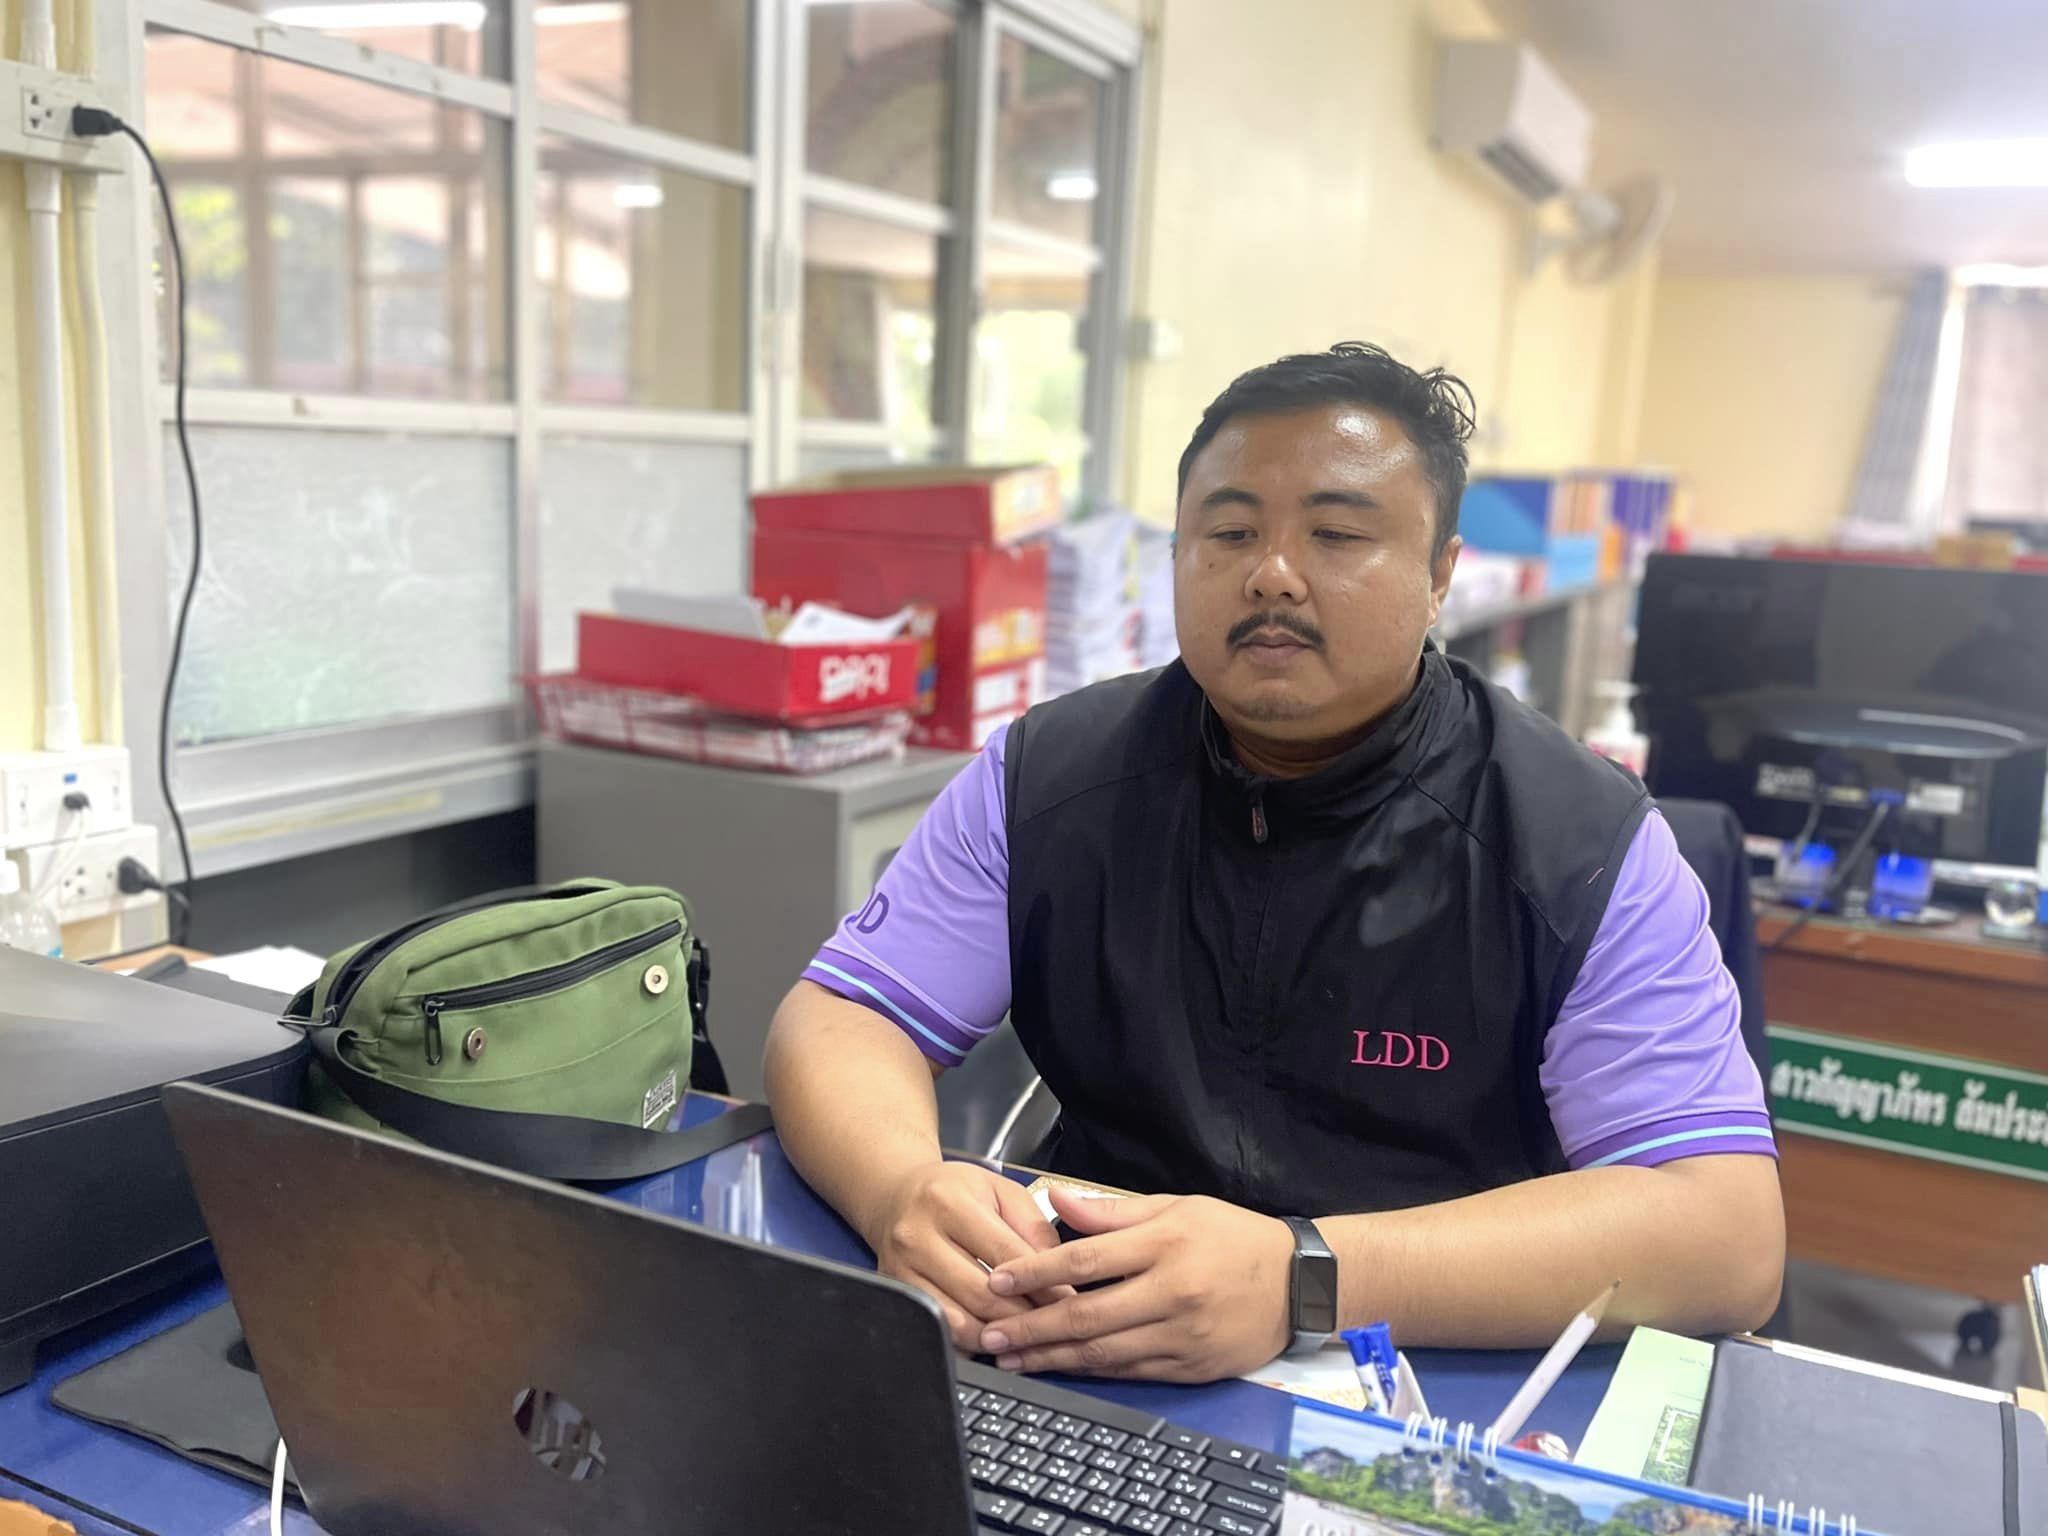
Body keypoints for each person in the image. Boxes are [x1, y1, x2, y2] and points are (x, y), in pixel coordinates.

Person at [765, 342, 1784, 1384]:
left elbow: (1725, 1231)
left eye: (1336, 534)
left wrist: (1303, 1278)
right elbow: (842, 1018)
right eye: (1230, 532)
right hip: (1076, 1336)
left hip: (1425, 1372)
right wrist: (901, 1190)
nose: (1271, 574)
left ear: (1440, 575)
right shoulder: (1049, 778)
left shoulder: (1575, 841)